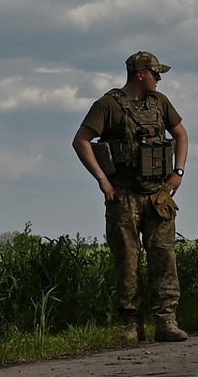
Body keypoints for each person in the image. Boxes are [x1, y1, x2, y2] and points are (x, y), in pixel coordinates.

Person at [74, 52, 190, 343]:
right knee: (127, 260)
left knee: (164, 258)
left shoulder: (160, 102)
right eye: (155, 72)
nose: (159, 78)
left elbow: (180, 134)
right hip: (123, 196)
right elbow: (81, 140)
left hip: (157, 196)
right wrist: (102, 180)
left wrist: (178, 171)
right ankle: (132, 324)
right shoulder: (108, 105)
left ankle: (166, 322)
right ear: (141, 73)